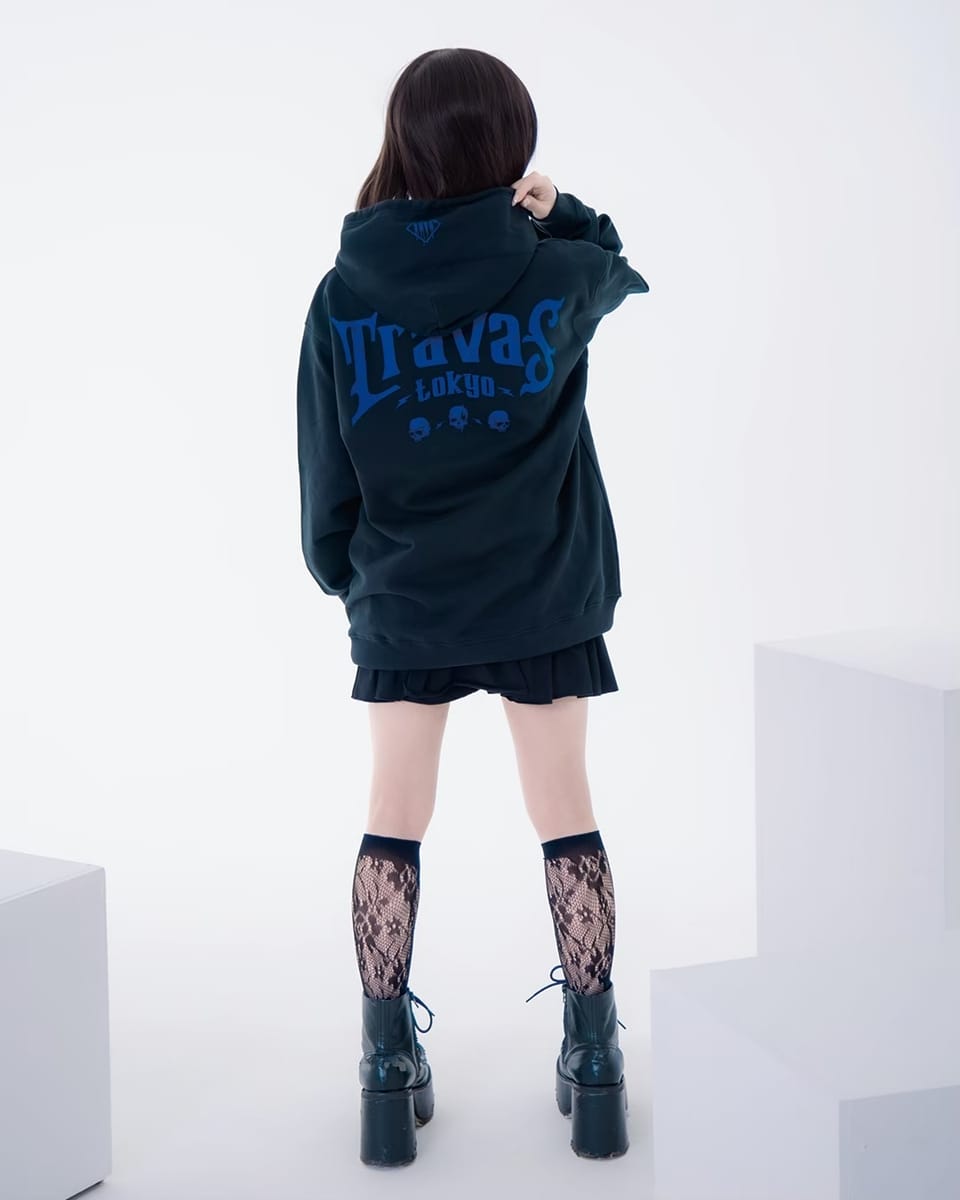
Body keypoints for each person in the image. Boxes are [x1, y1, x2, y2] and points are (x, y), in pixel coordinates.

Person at [296, 46, 649, 1166]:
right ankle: (594, 1058)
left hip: (408, 594)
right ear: (510, 148)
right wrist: (561, 207)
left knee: (393, 817)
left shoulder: (343, 293)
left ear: (402, 140)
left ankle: (383, 1063)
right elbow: (618, 264)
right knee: (566, 813)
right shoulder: (553, 273)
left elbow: (323, 468)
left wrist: (347, 576)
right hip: (544, 586)